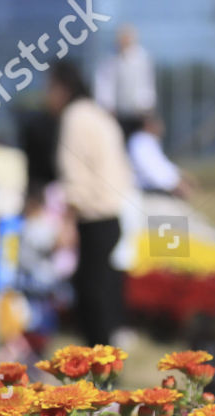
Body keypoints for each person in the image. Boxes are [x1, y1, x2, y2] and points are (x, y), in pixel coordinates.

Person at [50, 61, 134, 348]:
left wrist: (67, 221)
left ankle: (96, 362)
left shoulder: (75, 118)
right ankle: (106, 355)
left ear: (62, 88)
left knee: (89, 292)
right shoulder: (100, 115)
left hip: (92, 216)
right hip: (113, 214)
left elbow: (74, 174)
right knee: (105, 286)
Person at [93, 25, 156, 136]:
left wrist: (146, 106)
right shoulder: (110, 59)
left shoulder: (142, 58)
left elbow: (146, 83)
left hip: (138, 113)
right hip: (117, 113)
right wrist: (107, 106)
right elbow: (105, 84)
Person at [127, 112, 189, 197]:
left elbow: (162, 165)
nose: (161, 128)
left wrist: (181, 175)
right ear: (148, 124)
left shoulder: (149, 141)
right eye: (158, 124)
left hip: (158, 191)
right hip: (148, 193)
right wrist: (174, 184)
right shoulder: (140, 142)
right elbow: (151, 172)